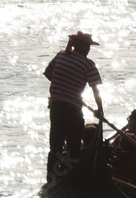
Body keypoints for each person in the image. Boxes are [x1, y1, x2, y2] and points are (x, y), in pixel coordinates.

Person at [43, 31, 104, 181]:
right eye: (89, 46)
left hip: (56, 107)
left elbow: (47, 72)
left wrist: (61, 85)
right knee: (74, 147)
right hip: (72, 110)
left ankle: (51, 180)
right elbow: (95, 89)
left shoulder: (61, 55)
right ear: (85, 48)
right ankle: (73, 179)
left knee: (55, 146)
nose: (89, 49)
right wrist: (99, 110)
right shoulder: (88, 64)